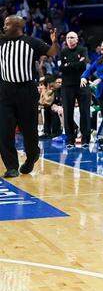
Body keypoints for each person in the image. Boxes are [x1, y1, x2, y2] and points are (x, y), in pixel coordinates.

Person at [0, 16, 58, 177]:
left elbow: (52, 52)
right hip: (5, 90)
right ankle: (11, 166)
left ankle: (32, 156)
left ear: (17, 26)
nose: (4, 27)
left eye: (7, 24)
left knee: (29, 130)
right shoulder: (1, 41)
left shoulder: (31, 42)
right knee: (4, 130)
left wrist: (54, 42)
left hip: (26, 89)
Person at [57, 31, 90, 146]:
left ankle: (86, 139)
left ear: (77, 39)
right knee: (68, 113)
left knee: (84, 112)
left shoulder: (83, 50)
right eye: (68, 38)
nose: (70, 39)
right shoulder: (62, 51)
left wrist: (68, 65)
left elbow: (84, 64)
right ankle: (70, 139)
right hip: (67, 86)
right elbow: (61, 68)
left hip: (82, 84)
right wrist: (76, 63)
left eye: (72, 37)